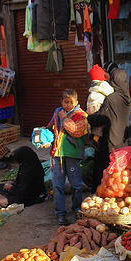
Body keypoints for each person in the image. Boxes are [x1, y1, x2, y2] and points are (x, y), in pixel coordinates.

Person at [87, 62, 131, 192]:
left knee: (106, 173)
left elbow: (99, 119)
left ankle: (103, 195)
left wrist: (88, 117)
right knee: (120, 175)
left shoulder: (111, 98)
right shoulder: (126, 97)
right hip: (122, 141)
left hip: (108, 141)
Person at [48, 89, 88, 225]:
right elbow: (51, 127)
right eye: (65, 102)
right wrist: (43, 135)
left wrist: (64, 117)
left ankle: (77, 210)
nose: (68, 105)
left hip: (73, 154)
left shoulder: (81, 115)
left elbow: (76, 131)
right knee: (57, 185)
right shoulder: (57, 112)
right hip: (57, 154)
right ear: (61, 101)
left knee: (76, 184)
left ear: (77, 102)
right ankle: (60, 213)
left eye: (71, 102)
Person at [86, 64, 115, 146]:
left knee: (95, 125)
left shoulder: (92, 86)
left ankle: (93, 137)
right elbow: (110, 92)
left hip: (90, 107)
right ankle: (95, 139)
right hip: (97, 106)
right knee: (101, 124)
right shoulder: (103, 85)